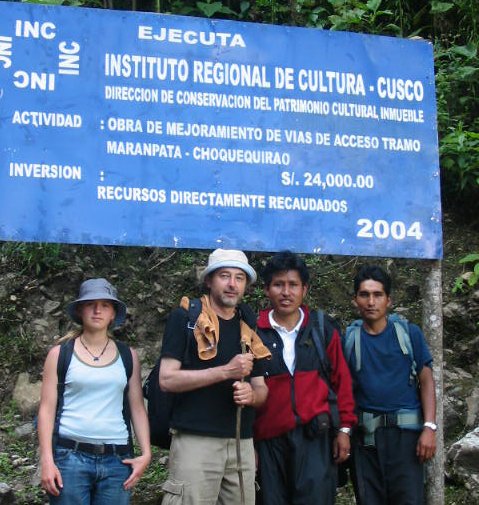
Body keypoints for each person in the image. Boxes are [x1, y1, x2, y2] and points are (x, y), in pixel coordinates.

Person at [159, 249, 270, 505]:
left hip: (240, 443)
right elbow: (167, 380)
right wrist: (224, 372)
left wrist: (252, 396)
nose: (232, 284)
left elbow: (261, 389)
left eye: (239, 278)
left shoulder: (248, 323)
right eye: (224, 276)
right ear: (209, 280)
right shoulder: (185, 318)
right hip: (195, 442)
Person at [254, 251, 356, 505]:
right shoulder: (254, 331)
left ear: (304, 289)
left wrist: (344, 429)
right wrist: (249, 443)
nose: (286, 292)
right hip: (269, 442)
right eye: (278, 285)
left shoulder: (322, 329)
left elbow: (342, 382)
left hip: (315, 438)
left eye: (293, 285)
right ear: (267, 290)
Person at [38, 278, 151, 504]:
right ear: (80, 310)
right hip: (70, 457)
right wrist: (47, 461)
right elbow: (46, 409)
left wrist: (146, 454)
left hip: (118, 460)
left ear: (113, 314)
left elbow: (137, 407)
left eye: (105, 305)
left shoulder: (128, 356)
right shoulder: (60, 354)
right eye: (91, 304)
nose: (98, 310)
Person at [346, 264, 436, 505]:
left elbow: (426, 379)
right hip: (366, 440)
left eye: (377, 295)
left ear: (389, 300)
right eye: (364, 295)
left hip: (406, 439)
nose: (371, 301)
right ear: (355, 300)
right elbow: (343, 389)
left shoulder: (409, 333)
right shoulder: (350, 339)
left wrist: (429, 427)